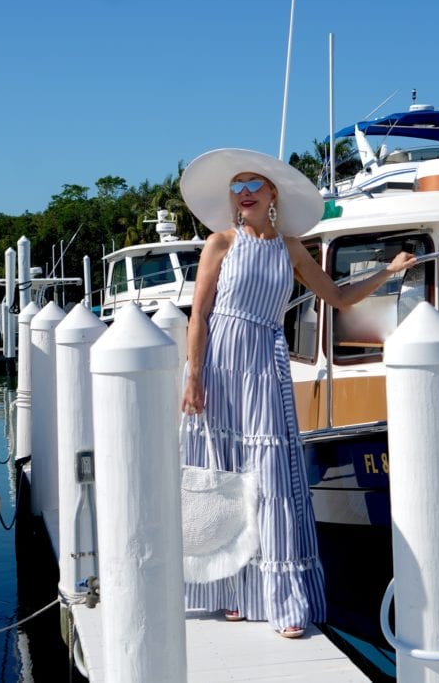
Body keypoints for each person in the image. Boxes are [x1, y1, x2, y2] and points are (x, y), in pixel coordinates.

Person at [178, 148, 417, 639]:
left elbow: (340, 297)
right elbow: (199, 316)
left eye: (253, 185)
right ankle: (230, 590)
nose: (244, 193)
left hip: (265, 362)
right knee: (225, 473)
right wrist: (193, 376)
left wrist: (388, 273)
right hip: (222, 363)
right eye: (237, 187)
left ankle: (282, 600)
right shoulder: (219, 243)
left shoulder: (291, 248)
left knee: (270, 478)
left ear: (271, 194)